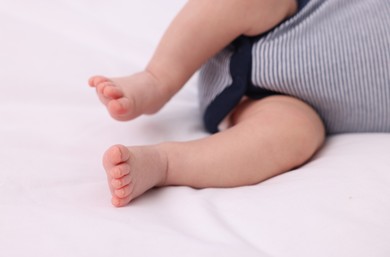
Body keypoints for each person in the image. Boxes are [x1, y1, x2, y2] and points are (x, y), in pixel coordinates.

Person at [88, 0, 390, 207]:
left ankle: (165, 164)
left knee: (296, 135)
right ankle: (157, 77)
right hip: (287, 20)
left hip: (278, 104)